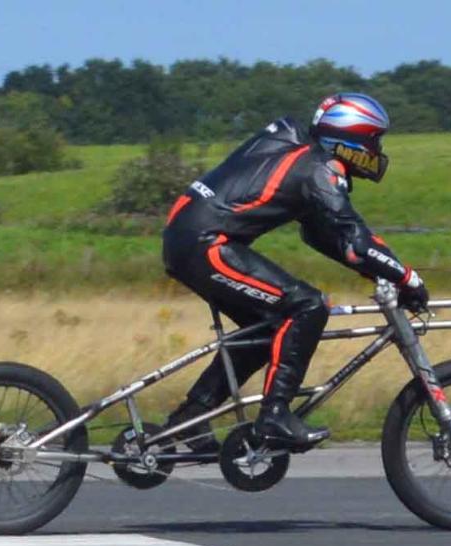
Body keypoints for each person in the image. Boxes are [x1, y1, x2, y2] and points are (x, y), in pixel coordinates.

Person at [162, 93, 429, 452]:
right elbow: (356, 244)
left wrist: (381, 272)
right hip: (205, 243)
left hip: (192, 238)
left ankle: (190, 416)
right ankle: (274, 417)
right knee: (308, 306)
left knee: (270, 328)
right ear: (351, 140)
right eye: (373, 140)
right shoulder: (318, 169)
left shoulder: (304, 157)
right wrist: (409, 278)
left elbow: (329, 238)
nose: (376, 150)